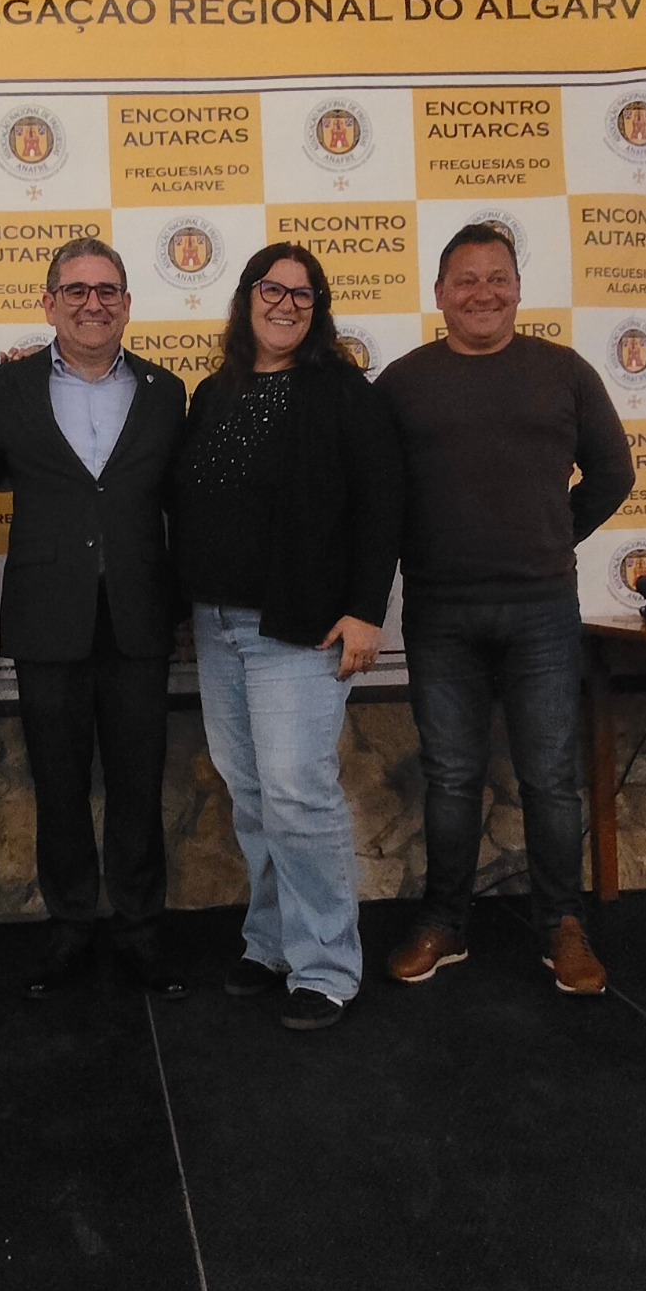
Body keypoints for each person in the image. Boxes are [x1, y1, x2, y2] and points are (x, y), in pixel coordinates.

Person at [376, 224, 635, 994]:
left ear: (519, 289)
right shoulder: (402, 384)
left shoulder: (565, 371)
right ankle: (443, 924)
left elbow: (614, 473)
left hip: (541, 610)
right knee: (451, 776)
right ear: (439, 294)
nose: (482, 293)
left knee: (550, 778)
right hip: (440, 613)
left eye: (498, 278)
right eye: (466, 280)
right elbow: (374, 493)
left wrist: (552, 534)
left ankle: (563, 926)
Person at [174, 243, 403, 1031]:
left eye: (302, 295)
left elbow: (382, 504)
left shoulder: (344, 392)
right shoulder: (214, 392)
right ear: (246, 299)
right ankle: (270, 941)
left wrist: (366, 610)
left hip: (301, 628)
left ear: (318, 310)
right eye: (271, 289)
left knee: (299, 795)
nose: (285, 304)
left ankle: (327, 966)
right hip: (216, 624)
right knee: (252, 794)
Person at [0, 238, 187, 998]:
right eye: (76, 290)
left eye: (107, 291)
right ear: (49, 303)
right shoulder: (6, 388)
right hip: (47, 617)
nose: (92, 303)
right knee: (58, 785)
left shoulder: (167, 391)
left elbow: (184, 503)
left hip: (139, 616)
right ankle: (68, 927)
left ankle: (139, 929)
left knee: (138, 782)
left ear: (127, 304)